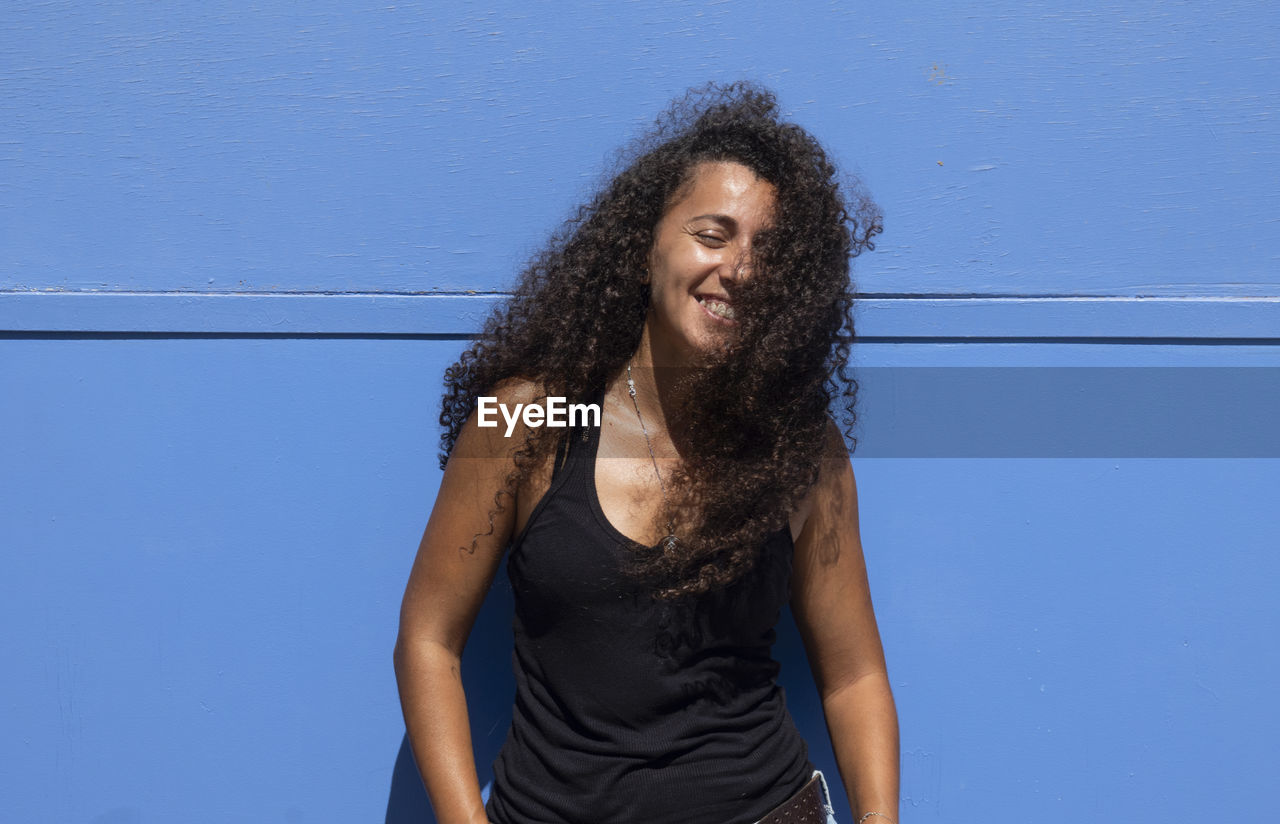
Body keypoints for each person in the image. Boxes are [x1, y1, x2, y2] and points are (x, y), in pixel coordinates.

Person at [394, 81, 898, 824]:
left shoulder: (797, 450)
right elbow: (427, 641)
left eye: (769, 252)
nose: (741, 269)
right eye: (713, 234)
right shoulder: (532, 421)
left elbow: (854, 679)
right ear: (642, 251)